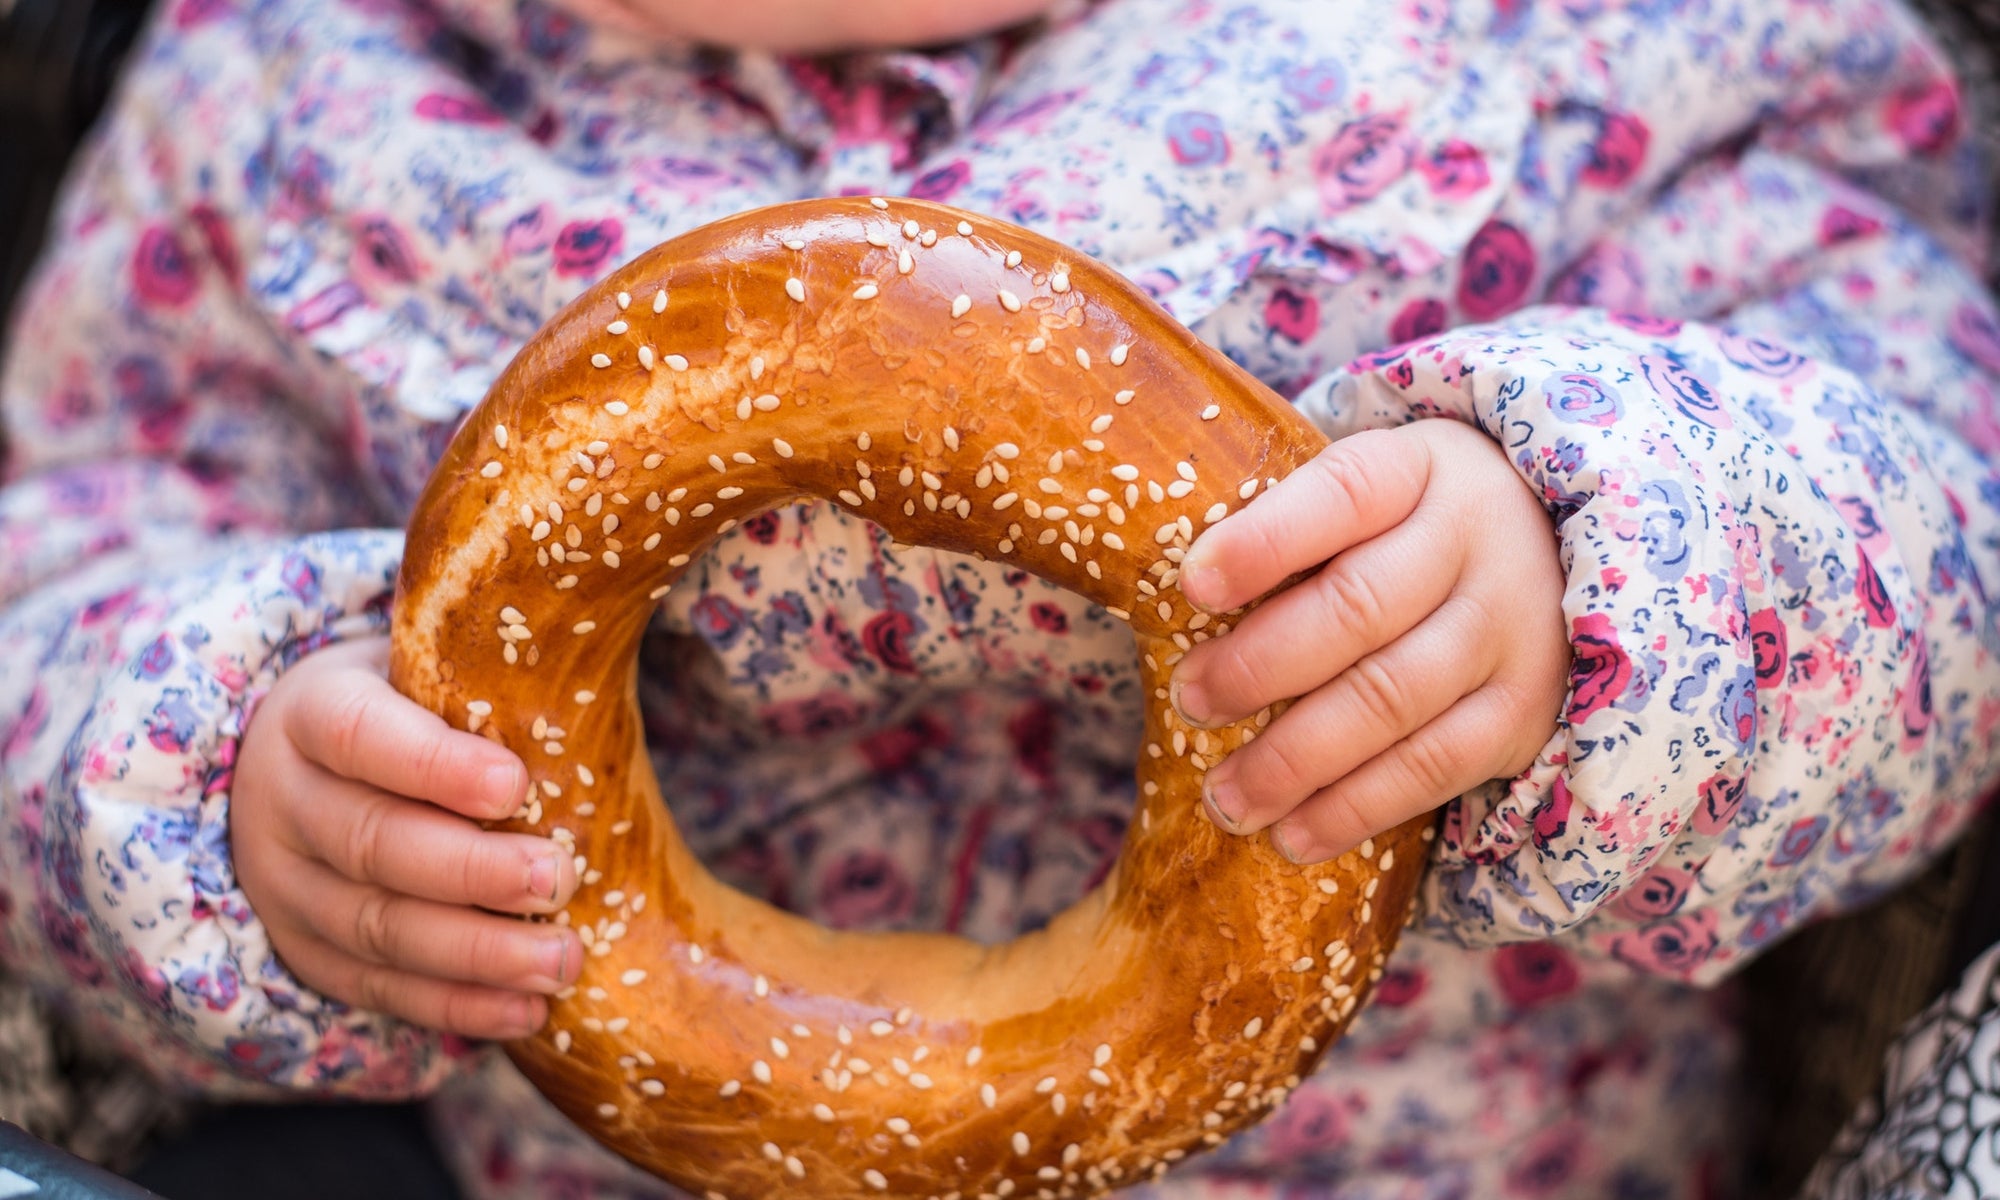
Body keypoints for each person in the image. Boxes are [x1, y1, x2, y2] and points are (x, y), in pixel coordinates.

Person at [2, 0, 1997, 1196]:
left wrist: (1594, 569)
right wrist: (223, 780)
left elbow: (1947, 567)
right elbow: (66, 567)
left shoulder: (1569, 53)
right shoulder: (278, 106)